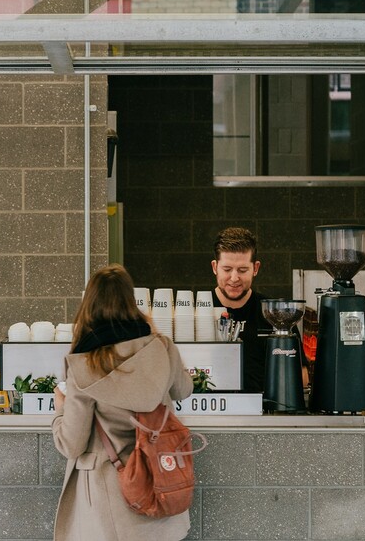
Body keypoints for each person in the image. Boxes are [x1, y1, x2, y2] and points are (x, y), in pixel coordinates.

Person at [51, 264, 194, 541]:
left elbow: (72, 443)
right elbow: (183, 389)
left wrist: (61, 408)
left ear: (88, 305)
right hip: (160, 488)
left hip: (110, 503)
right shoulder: (162, 347)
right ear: (131, 302)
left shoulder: (85, 365)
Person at [211, 226, 306, 393]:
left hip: (264, 415)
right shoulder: (194, 311)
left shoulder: (275, 313)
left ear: (255, 268)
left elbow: (302, 375)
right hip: (208, 414)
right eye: (227, 269)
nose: (234, 278)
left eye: (242, 270)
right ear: (214, 267)